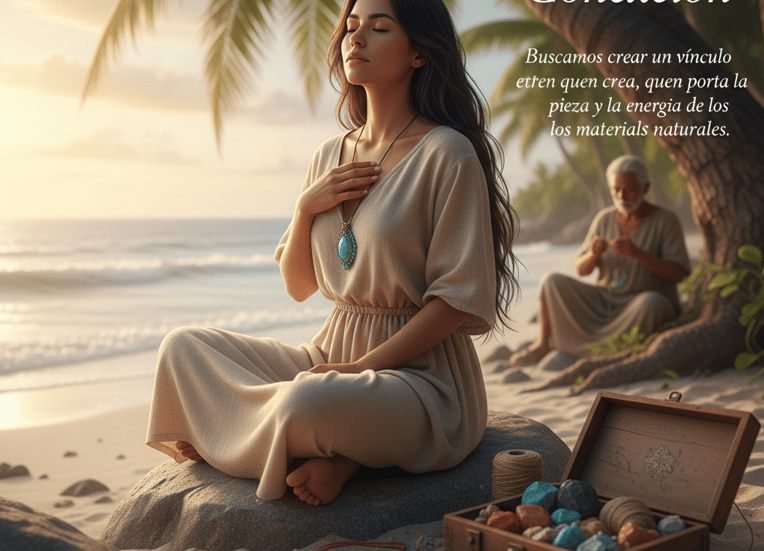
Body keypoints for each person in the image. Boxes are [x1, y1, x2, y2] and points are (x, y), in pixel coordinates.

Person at [146, 0, 518, 507]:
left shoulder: (447, 153)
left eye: (379, 27)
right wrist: (305, 209)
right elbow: (299, 286)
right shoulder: (329, 155)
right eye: (350, 25)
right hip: (329, 355)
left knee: (305, 400)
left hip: (423, 381)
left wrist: (356, 371)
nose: (355, 38)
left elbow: (454, 304)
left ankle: (265, 440)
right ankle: (326, 448)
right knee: (181, 348)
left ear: (418, 53)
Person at [509, 154, 690, 366]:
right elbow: (582, 270)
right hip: (604, 301)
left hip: (638, 305)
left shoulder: (666, 221)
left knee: (652, 303)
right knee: (551, 281)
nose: (621, 196)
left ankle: (615, 354)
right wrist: (593, 254)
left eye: (629, 189)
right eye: (616, 189)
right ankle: (543, 344)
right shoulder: (604, 218)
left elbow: (679, 274)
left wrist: (638, 254)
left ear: (646, 188)